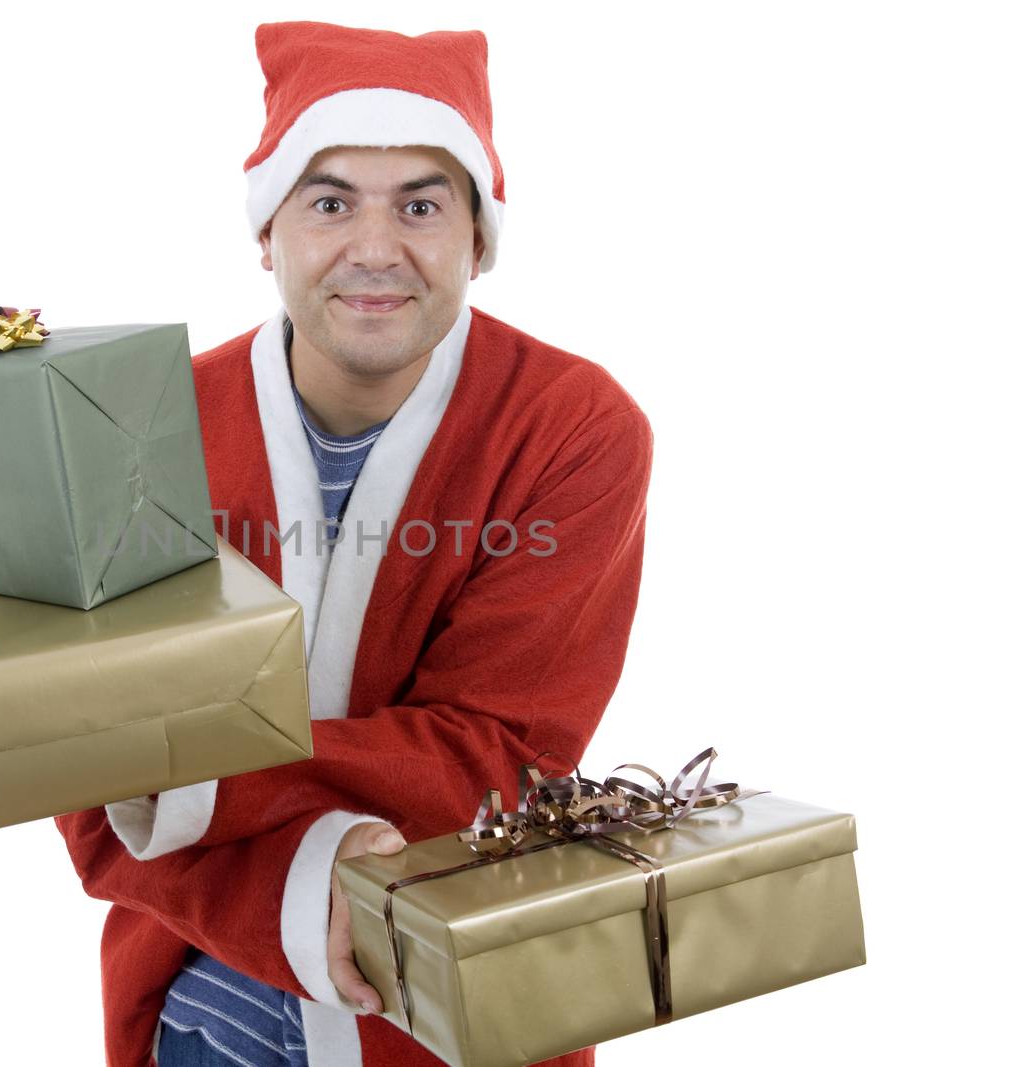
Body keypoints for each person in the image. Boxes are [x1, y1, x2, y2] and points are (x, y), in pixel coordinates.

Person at [55, 20, 653, 1067]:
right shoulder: (142, 429)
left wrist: (180, 768)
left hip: (459, 1021)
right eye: (329, 200)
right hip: (194, 1021)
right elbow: (84, 778)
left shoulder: (575, 429)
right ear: (265, 232)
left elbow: (494, 758)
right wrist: (292, 875)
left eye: (421, 203)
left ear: (476, 237)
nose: (375, 247)